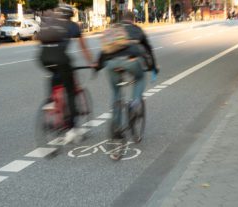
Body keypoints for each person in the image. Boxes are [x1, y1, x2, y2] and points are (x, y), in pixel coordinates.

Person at [95, 11, 158, 160]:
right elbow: (148, 49)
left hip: (111, 64)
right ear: (133, 20)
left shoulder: (113, 29)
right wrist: (153, 67)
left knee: (116, 93)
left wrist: (96, 68)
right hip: (131, 61)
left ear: (121, 20)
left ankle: (116, 129)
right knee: (140, 78)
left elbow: (103, 51)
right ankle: (135, 103)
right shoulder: (137, 29)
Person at [40, 4, 93, 142]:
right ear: (71, 15)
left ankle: (51, 101)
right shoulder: (73, 26)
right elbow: (84, 48)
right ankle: (71, 129)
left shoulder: (51, 23)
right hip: (61, 58)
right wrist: (91, 62)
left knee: (55, 74)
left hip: (44, 58)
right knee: (70, 91)